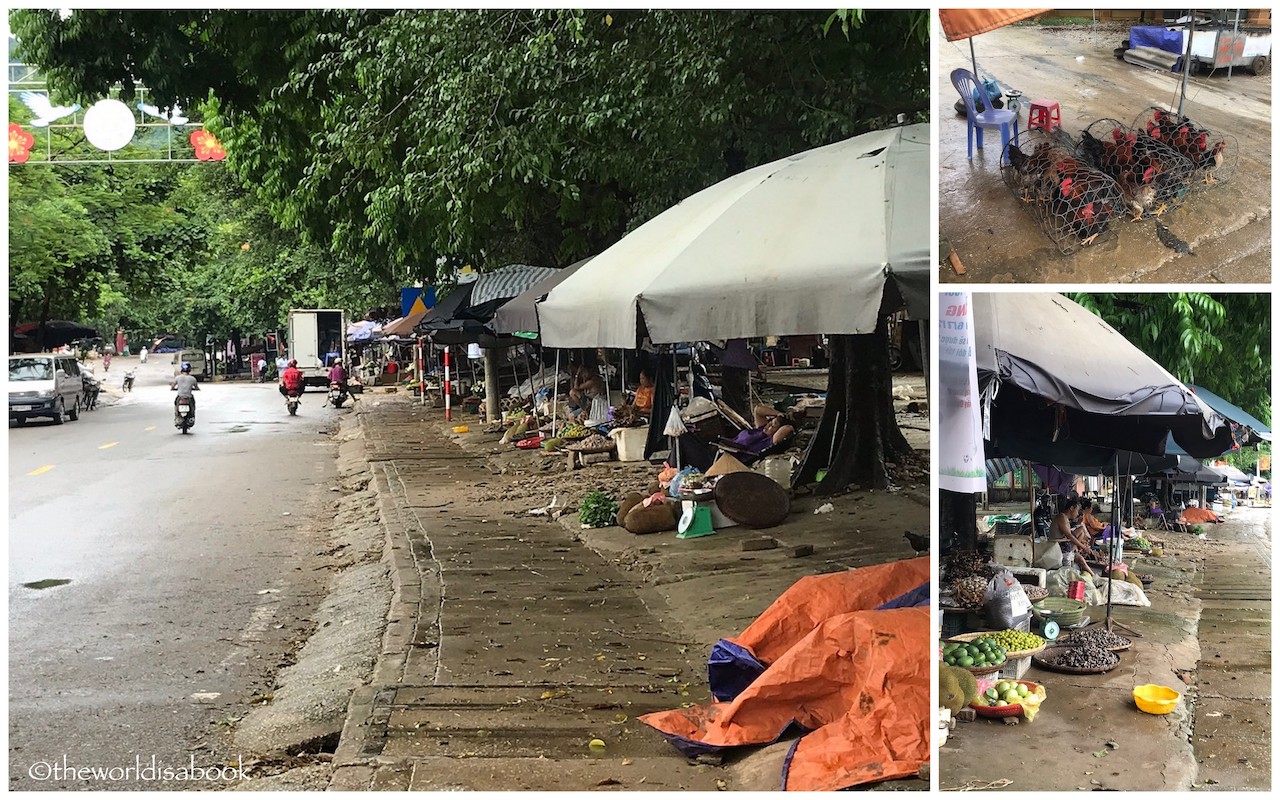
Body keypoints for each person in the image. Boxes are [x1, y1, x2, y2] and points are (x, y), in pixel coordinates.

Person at [1051, 499, 1095, 575]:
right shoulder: (1061, 517)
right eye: (1077, 510)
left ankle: (1095, 577)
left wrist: (1078, 546)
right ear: (1071, 508)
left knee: (1081, 559)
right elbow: (1070, 536)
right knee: (1071, 569)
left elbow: (1070, 535)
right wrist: (1084, 547)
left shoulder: (1065, 518)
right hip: (1058, 547)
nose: (1077, 513)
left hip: (1065, 545)